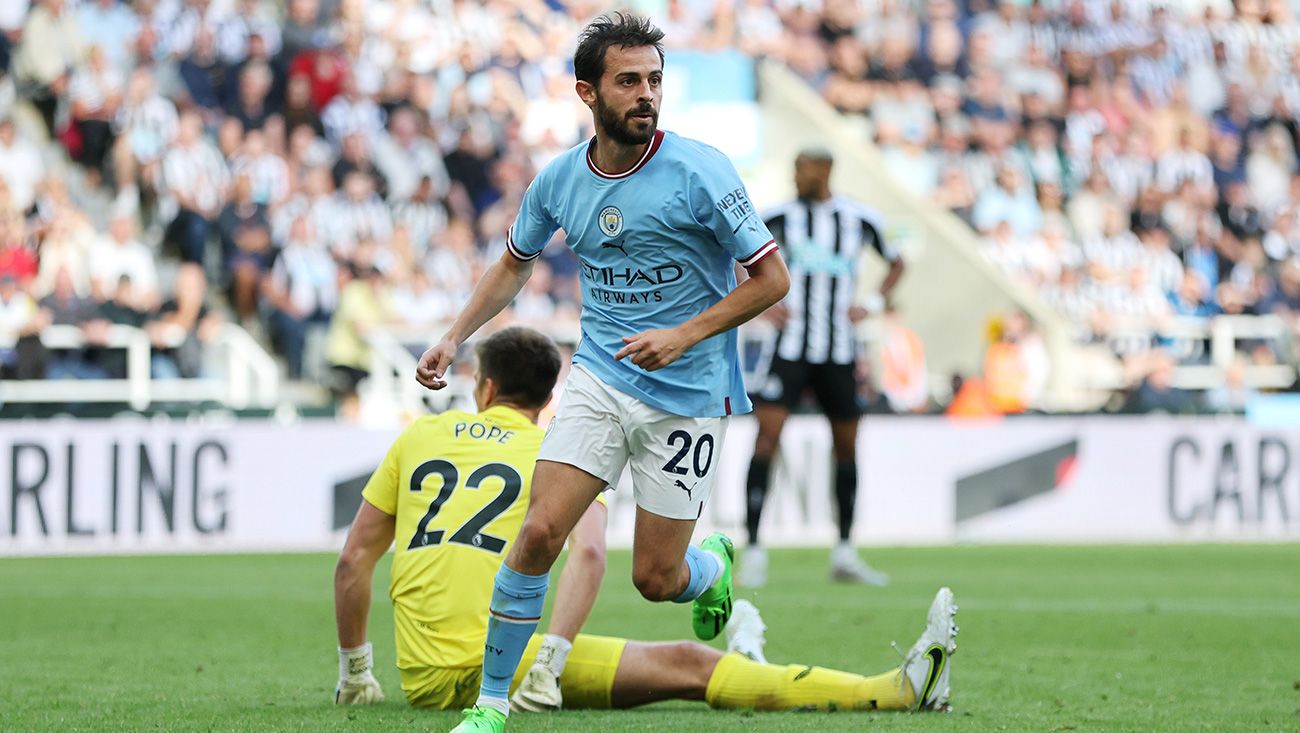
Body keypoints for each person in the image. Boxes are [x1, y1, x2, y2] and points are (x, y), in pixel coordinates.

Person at [413, 14, 791, 733]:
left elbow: (771, 279)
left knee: (656, 579)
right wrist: (453, 337)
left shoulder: (700, 170)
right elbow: (514, 265)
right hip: (599, 377)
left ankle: (709, 566)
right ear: (587, 92)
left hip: (689, 393)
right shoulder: (559, 179)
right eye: (629, 81)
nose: (646, 94)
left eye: (654, 80)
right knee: (538, 533)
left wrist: (683, 333)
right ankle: (492, 704)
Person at [335, 327, 958, 717]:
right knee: (690, 663)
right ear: (552, 397)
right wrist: (549, 660)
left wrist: (357, 674)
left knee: (688, 653)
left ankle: (747, 647)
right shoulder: (561, 454)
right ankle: (892, 691)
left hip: (421, 673)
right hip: (485, 670)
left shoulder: (420, 435)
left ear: (484, 387)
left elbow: (354, 560)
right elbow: (588, 555)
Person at [742, 149, 905, 589]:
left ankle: (845, 550)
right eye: (795, 169)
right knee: (766, 439)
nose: (798, 177)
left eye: (805, 170)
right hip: (790, 349)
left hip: (839, 350)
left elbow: (897, 261)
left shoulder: (859, 218)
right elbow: (736, 256)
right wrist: (761, 303)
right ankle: (754, 549)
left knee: (847, 446)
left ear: (826, 172)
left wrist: (871, 304)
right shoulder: (777, 215)